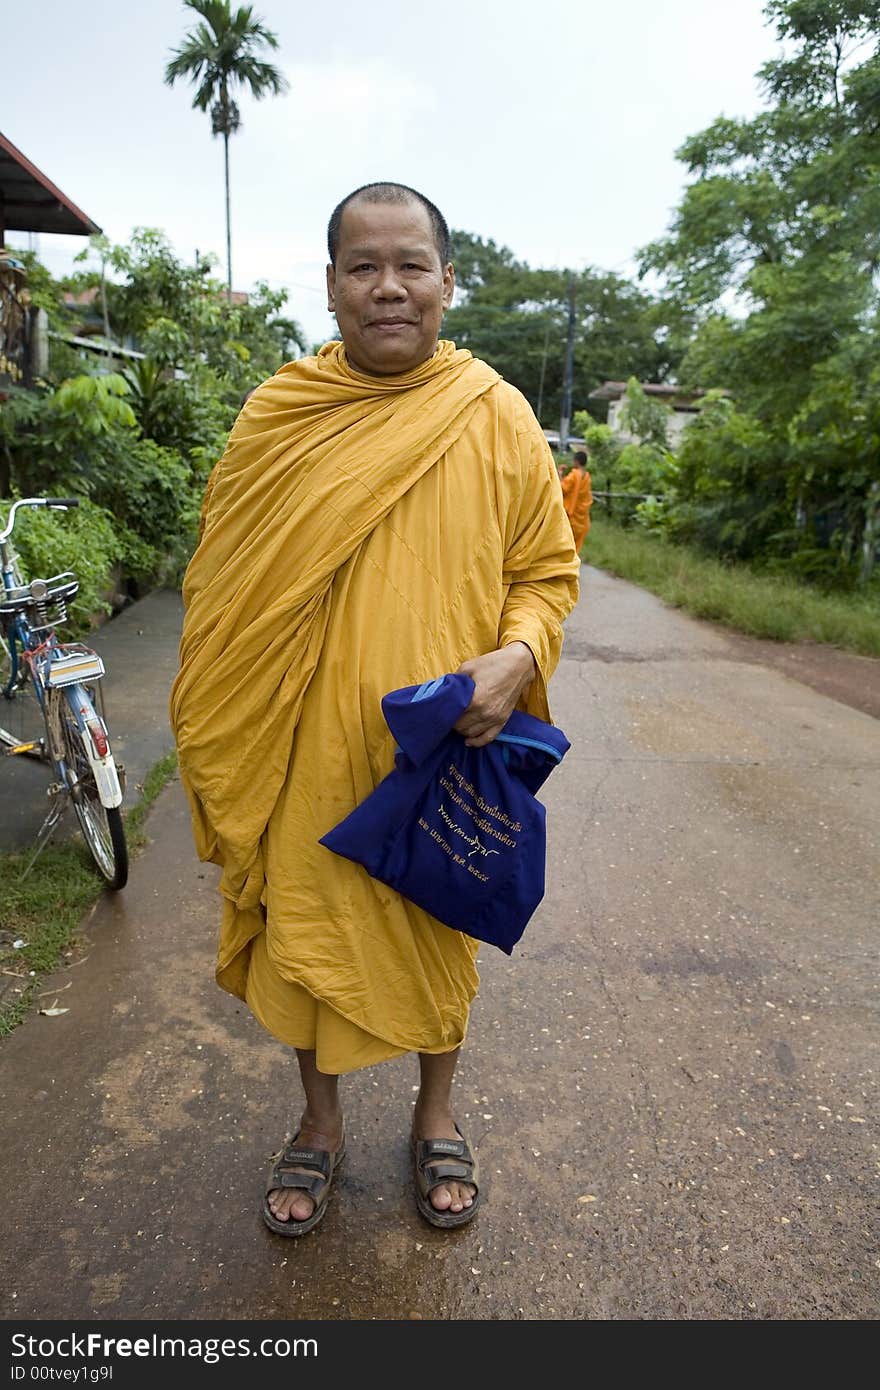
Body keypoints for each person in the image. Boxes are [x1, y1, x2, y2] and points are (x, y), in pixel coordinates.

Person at [170, 181, 580, 1237]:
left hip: (441, 745)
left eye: (410, 266)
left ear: (448, 281)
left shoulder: (494, 413)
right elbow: (223, 583)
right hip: (303, 742)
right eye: (364, 267)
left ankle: (434, 1112)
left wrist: (516, 655)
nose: (388, 287)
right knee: (305, 931)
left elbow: (545, 571)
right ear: (331, 287)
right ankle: (319, 1122)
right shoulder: (280, 414)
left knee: (439, 925)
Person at [560, 449, 593, 553]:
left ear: (576, 461)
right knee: (575, 544)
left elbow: (562, 489)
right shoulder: (587, 477)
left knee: (565, 540)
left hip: (571, 513)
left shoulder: (574, 475)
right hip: (582, 516)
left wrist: (559, 474)